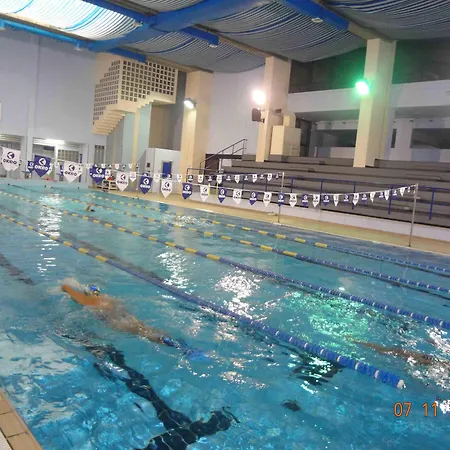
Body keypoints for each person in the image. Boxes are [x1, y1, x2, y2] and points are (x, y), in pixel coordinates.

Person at [61, 281, 205, 359]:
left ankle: (183, 350)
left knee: (145, 334)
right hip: (127, 315)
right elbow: (119, 302)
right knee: (148, 328)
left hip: (119, 323)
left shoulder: (90, 306)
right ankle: (182, 346)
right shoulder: (106, 298)